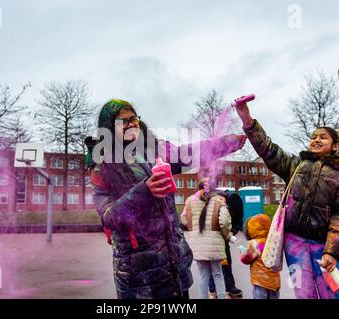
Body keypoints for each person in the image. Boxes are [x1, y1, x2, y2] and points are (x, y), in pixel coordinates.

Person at [87, 99, 246, 299]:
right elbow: (109, 217)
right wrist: (144, 191)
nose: (131, 124)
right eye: (123, 121)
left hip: (174, 264)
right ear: (110, 127)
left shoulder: (155, 149)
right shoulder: (102, 165)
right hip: (140, 273)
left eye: (133, 118)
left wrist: (228, 143)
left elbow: (190, 152)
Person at [234, 99, 339, 299]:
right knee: (303, 293)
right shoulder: (296, 165)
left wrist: (332, 252)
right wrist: (248, 121)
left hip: (323, 245)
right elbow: (269, 150)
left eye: (323, 138)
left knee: (330, 294)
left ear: (335, 145)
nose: (316, 140)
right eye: (314, 136)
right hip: (295, 245)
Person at [181, 179, 232, 299]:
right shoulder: (219, 201)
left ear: (198, 187)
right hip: (214, 243)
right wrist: (226, 235)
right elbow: (224, 222)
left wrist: (194, 228)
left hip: (197, 244)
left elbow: (184, 219)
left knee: (203, 275)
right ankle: (221, 297)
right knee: (218, 273)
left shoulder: (189, 201)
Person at [208, 191, 244, 298]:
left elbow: (238, 222)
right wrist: (225, 232)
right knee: (214, 264)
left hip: (224, 235)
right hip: (214, 235)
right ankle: (214, 290)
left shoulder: (236, 205)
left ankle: (229, 287)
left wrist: (232, 231)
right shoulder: (218, 201)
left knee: (226, 261)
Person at [240, 214, 281, 299]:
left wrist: (242, 251)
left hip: (260, 281)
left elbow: (245, 259)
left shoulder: (255, 243)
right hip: (274, 281)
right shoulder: (274, 242)